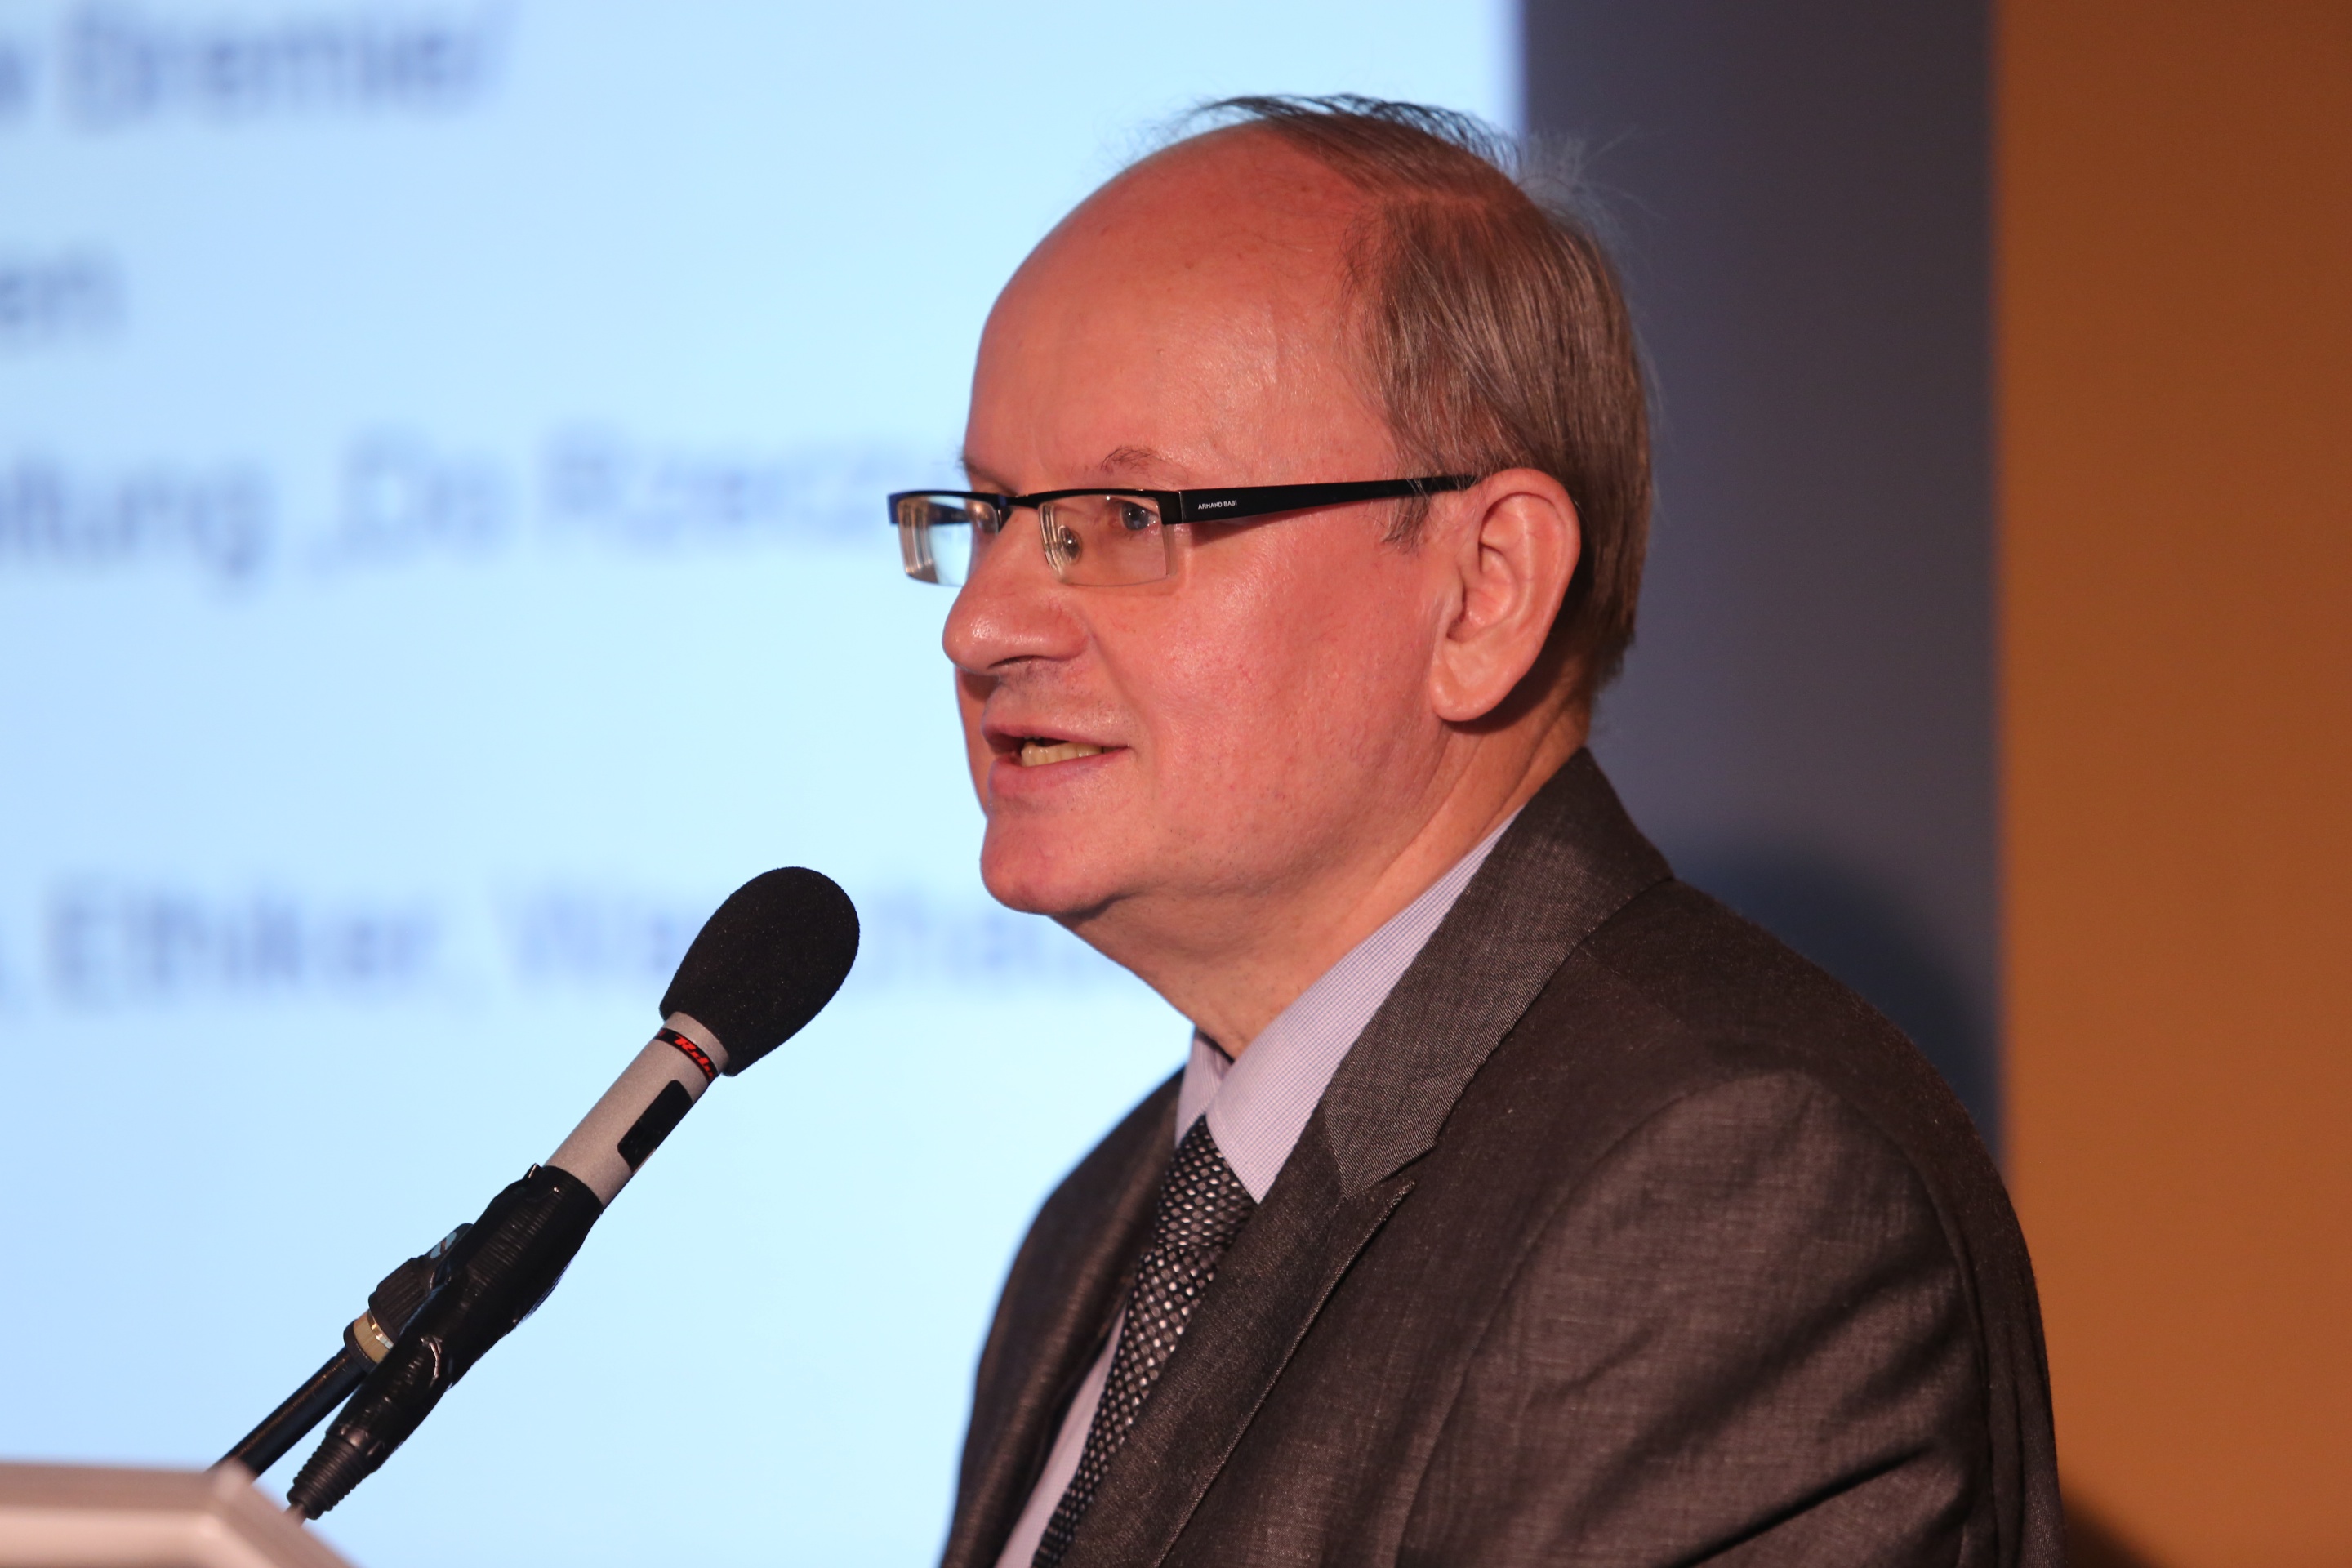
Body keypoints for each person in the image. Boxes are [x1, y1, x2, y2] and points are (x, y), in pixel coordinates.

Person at [889, 97, 2060, 1568]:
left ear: (1485, 589)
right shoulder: (1105, 1224)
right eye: (990, 514)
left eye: (1124, 518)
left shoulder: (1719, 1187)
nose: (980, 623)